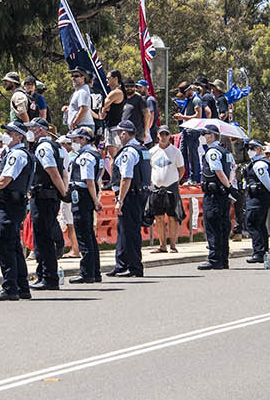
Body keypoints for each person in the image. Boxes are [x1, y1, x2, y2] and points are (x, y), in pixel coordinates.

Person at [0, 121, 33, 300]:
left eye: (11, 133)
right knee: (13, 246)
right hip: (9, 203)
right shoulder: (11, 154)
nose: (7, 136)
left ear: (20, 136)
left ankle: (10, 287)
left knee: (6, 247)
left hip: (10, 205)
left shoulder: (17, 155)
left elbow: (6, 179)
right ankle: (21, 286)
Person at [26, 118, 68, 291]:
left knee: (43, 238)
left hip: (44, 195)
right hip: (50, 195)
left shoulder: (43, 147)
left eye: (33, 129)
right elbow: (64, 171)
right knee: (44, 236)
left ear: (41, 130)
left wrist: (63, 191)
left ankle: (49, 277)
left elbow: (53, 171)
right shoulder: (57, 147)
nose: (31, 132)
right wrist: (62, 191)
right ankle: (43, 273)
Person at [108, 120, 151, 276]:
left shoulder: (129, 151)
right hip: (138, 194)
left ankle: (134, 267)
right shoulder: (141, 148)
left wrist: (120, 200)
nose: (119, 136)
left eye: (120, 133)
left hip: (130, 195)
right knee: (123, 230)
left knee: (130, 232)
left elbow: (126, 178)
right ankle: (122, 263)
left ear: (125, 133)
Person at [192, 122, 234, 270]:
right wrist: (229, 187)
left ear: (212, 135)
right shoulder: (225, 151)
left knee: (213, 226)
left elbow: (218, 171)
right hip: (223, 193)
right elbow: (232, 170)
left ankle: (215, 259)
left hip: (214, 194)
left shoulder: (212, 152)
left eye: (205, 134)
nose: (203, 136)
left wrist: (227, 186)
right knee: (223, 226)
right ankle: (223, 259)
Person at [63, 127, 102, 283]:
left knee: (84, 235)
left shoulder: (85, 157)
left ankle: (87, 273)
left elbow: (89, 181)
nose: (74, 143)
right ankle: (95, 271)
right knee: (89, 236)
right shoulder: (94, 154)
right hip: (85, 195)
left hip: (83, 195)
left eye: (76, 140)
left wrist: (95, 200)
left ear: (84, 139)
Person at [240, 138, 270, 263]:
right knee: (260, 224)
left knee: (252, 222)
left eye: (251, 149)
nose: (249, 151)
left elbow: (266, 180)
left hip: (259, 196)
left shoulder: (259, 164)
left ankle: (259, 252)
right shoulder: (256, 163)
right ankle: (263, 251)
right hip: (258, 196)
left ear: (257, 149)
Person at [148, 126, 184, 253]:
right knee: (158, 217)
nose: (163, 137)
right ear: (158, 135)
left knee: (172, 217)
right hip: (157, 188)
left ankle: (173, 245)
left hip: (171, 187)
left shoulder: (175, 151)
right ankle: (162, 245)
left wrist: (175, 181)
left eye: (166, 134)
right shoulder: (152, 151)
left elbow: (181, 169)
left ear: (169, 136)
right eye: (161, 134)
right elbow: (150, 168)